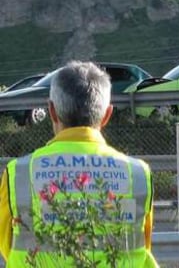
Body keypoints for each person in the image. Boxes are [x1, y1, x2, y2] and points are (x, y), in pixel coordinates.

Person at [0, 61, 158, 267]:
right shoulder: (138, 174)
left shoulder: (17, 174)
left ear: (52, 111)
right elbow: (141, 245)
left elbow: (7, 246)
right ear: (107, 115)